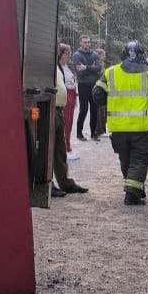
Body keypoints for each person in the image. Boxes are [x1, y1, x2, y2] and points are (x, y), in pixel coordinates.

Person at [92, 41, 148, 205]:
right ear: (141, 56)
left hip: (118, 128)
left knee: (126, 160)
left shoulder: (111, 72)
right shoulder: (147, 72)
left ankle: (135, 189)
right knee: (138, 160)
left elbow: (97, 94)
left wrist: (112, 101)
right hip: (141, 127)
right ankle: (132, 194)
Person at [52, 56, 89, 198]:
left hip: (58, 110)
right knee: (47, 151)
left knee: (60, 151)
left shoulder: (59, 67)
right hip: (49, 109)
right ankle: (46, 185)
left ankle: (66, 183)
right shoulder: (48, 63)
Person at [71, 34, 103, 142]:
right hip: (83, 85)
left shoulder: (94, 54)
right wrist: (91, 68)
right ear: (80, 43)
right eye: (85, 42)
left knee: (94, 109)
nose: (87, 44)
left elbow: (98, 68)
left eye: (88, 42)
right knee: (83, 109)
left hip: (94, 85)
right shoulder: (77, 55)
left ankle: (94, 133)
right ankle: (79, 133)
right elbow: (80, 72)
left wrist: (86, 67)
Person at [58, 43, 79, 161]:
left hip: (71, 96)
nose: (69, 56)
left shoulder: (66, 67)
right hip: (65, 97)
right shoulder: (58, 68)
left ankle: (68, 147)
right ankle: (65, 149)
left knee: (69, 123)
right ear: (61, 54)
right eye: (67, 53)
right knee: (65, 123)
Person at [95, 48, 108, 138]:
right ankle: (99, 130)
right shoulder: (97, 65)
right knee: (100, 112)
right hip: (100, 91)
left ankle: (103, 129)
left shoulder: (102, 65)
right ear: (98, 56)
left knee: (104, 112)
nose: (104, 57)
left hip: (104, 90)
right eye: (103, 55)